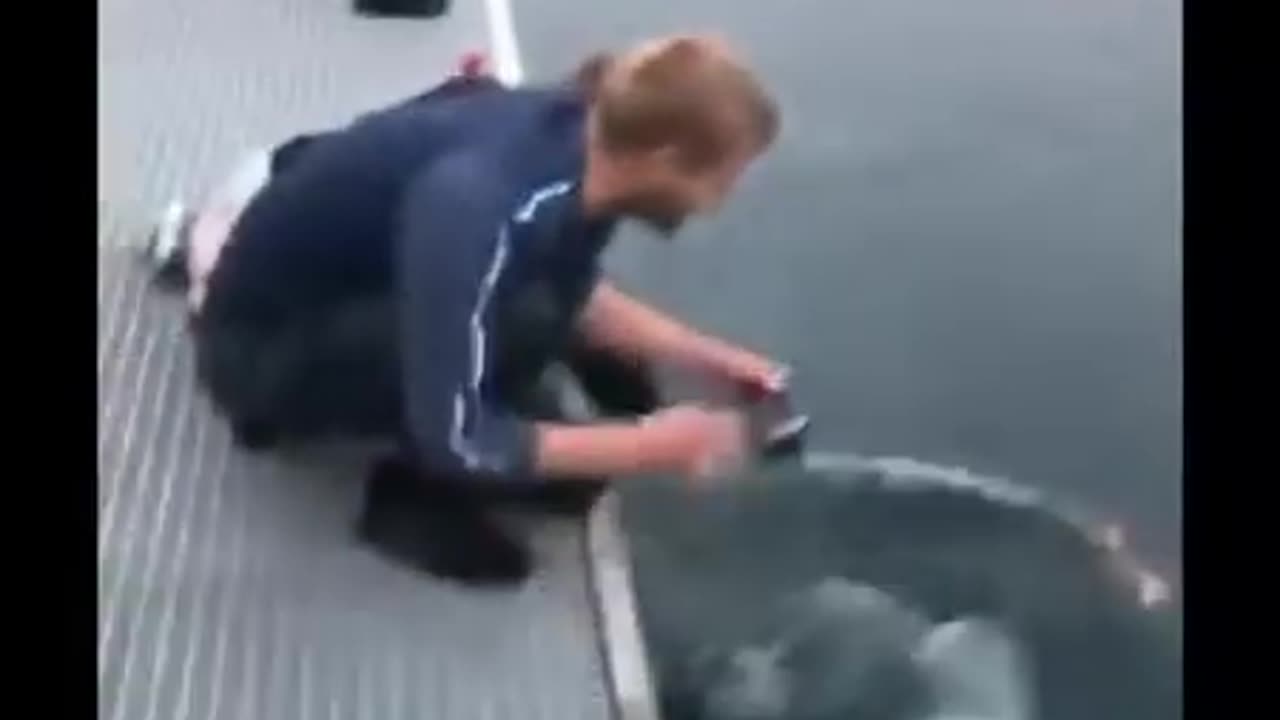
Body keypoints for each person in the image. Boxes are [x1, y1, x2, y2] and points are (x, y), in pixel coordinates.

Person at [145, 34, 786, 585]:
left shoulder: (580, 144)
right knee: (519, 340)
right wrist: (657, 446)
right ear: (668, 158)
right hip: (259, 356)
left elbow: (573, 287)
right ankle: (409, 499)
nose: (716, 202)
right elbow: (461, 437)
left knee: (557, 398)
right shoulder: (476, 204)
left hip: (360, 290)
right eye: (720, 180)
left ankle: (455, 417)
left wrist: (708, 357)